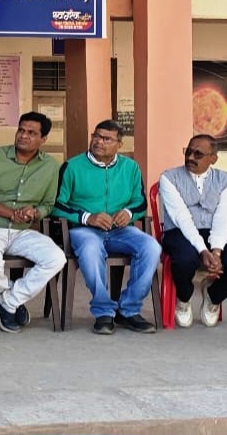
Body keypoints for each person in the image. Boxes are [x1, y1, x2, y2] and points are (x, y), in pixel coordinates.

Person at [52, 119, 160, 335]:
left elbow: (140, 202)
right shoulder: (72, 166)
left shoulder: (130, 167)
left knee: (152, 247)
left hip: (121, 230)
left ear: (119, 144)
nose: (99, 142)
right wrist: (86, 217)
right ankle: (103, 311)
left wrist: (128, 213)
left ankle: (128, 309)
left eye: (106, 139)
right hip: (84, 230)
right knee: (91, 249)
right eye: (96, 136)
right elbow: (56, 205)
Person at [0, 112, 65, 333]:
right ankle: (9, 300)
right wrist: (10, 213)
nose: (24, 136)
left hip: (22, 232)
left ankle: (8, 301)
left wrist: (34, 212)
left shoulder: (51, 166)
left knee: (56, 258)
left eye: (31, 133)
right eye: (21, 130)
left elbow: (48, 204)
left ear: (43, 139)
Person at [158, 134, 227, 328]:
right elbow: (181, 217)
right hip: (179, 231)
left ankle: (213, 295)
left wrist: (216, 251)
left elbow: (223, 218)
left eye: (198, 154)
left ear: (213, 159)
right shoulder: (169, 178)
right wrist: (203, 250)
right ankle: (184, 298)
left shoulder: (225, 180)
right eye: (188, 152)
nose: (190, 157)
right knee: (184, 260)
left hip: (214, 231)